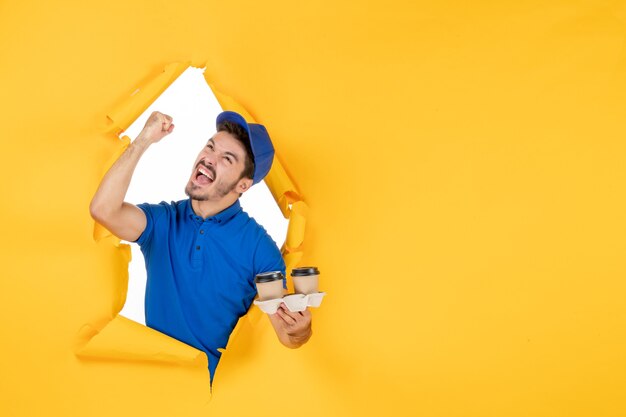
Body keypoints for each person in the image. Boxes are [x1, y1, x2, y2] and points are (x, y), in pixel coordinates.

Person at [89, 110, 312, 383]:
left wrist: (300, 330)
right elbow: (104, 210)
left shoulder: (259, 249)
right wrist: (144, 139)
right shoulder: (163, 222)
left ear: (243, 184)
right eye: (210, 146)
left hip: (209, 396)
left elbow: (285, 333)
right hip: (150, 383)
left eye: (226, 159)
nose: (209, 158)